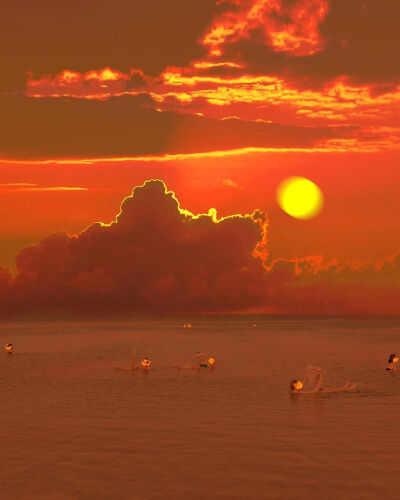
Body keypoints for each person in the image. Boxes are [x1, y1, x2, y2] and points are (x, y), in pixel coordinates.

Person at [290, 365, 357, 394]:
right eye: (298, 384)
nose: (300, 384)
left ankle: (345, 388)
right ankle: (347, 389)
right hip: (321, 392)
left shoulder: (297, 391)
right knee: (336, 390)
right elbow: (314, 391)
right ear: (295, 387)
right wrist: (321, 376)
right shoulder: (301, 393)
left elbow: (303, 383)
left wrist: (307, 374)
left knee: (334, 389)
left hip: (321, 391)